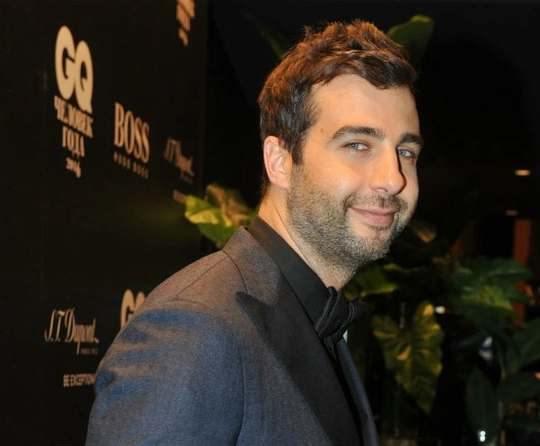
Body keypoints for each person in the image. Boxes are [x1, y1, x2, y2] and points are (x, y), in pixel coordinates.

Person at [86, 19, 422, 446]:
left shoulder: (316, 318)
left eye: (405, 151)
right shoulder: (195, 329)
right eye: (357, 145)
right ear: (280, 161)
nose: (393, 178)